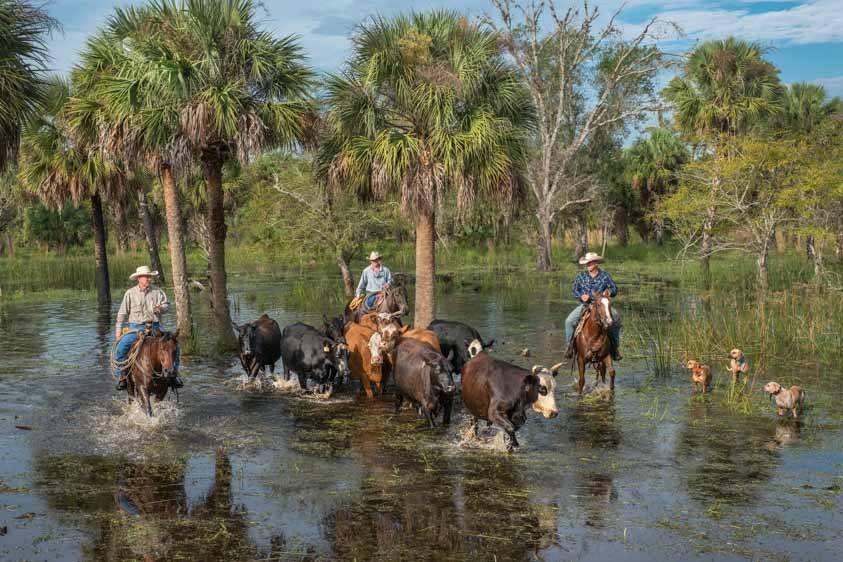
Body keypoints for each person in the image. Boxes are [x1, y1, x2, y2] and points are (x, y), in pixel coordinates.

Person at [113, 265, 182, 390]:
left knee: (174, 346)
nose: (149, 279)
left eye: (150, 277)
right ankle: (122, 377)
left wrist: (161, 308)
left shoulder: (157, 291)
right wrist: (118, 332)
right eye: (146, 277)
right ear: (139, 278)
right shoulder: (130, 293)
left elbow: (167, 305)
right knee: (121, 348)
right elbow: (122, 313)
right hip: (136, 328)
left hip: (155, 327)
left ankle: (174, 374)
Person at [564, 252, 621, 361]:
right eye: (587, 263)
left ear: (596, 263)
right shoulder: (581, 276)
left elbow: (614, 289)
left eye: (590, 263)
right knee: (569, 321)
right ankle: (569, 347)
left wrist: (609, 291)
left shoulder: (605, 276)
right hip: (586, 305)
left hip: (602, 305)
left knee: (616, 319)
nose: (588, 265)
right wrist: (581, 296)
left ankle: (615, 348)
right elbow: (574, 290)